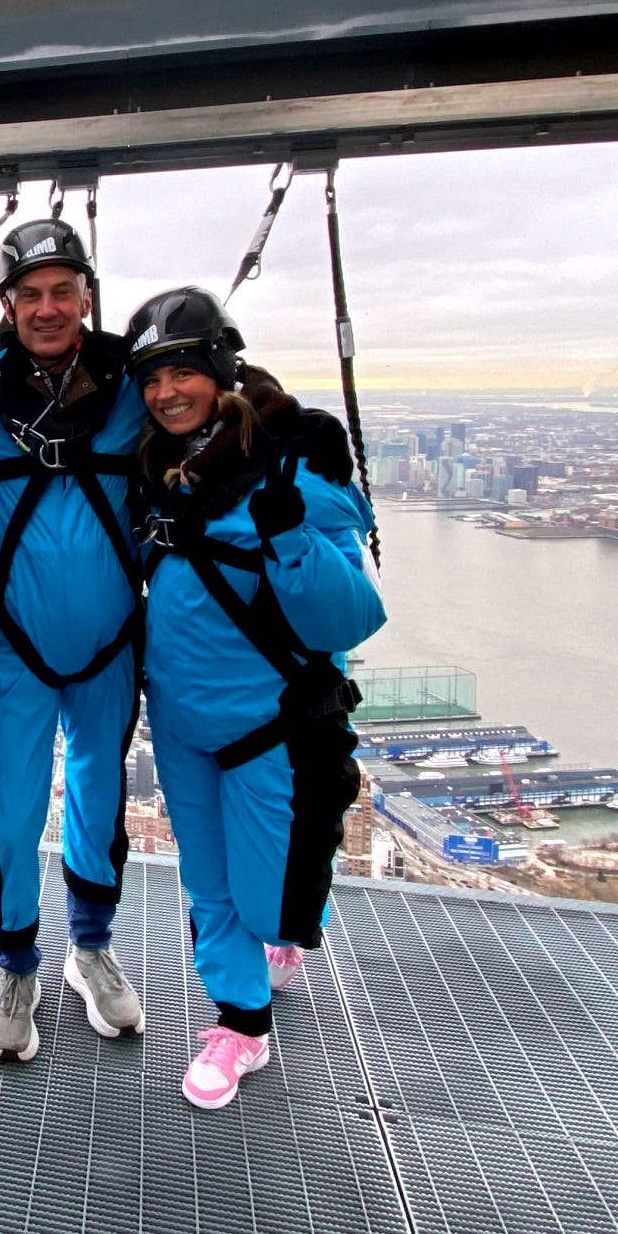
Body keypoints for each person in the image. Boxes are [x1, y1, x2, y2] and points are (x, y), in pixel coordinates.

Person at [123, 287, 385, 1111]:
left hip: (272, 724)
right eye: (152, 377)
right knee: (209, 884)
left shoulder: (295, 470)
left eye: (182, 371)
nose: (166, 391)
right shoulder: (155, 468)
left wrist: (289, 535)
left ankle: (288, 932)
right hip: (182, 721)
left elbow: (350, 616)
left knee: (271, 903)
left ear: (219, 369)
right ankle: (241, 1026)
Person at [0, 217, 148, 1060]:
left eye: (63, 291)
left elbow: (204, 411)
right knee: (18, 807)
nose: (48, 307)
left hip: (111, 641)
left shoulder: (132, 381)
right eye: (29, 294)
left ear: (87, 298)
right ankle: (16, 961)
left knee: (99, 798)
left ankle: (90, 948)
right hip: (13, 643)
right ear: (7, 306)